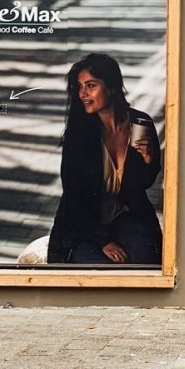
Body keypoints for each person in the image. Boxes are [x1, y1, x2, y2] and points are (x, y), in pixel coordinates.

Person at [47, 53, 162, 264]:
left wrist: (148, 161)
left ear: (111, 87)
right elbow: (74, 197)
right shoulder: (79, 135)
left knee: (145, 259)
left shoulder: (140, 123)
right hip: (85, 225)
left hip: (126, 217)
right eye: (79, 87)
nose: (83, 94)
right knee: (103, 268)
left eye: (91, 86)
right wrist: (104, 241)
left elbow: (145, 182)